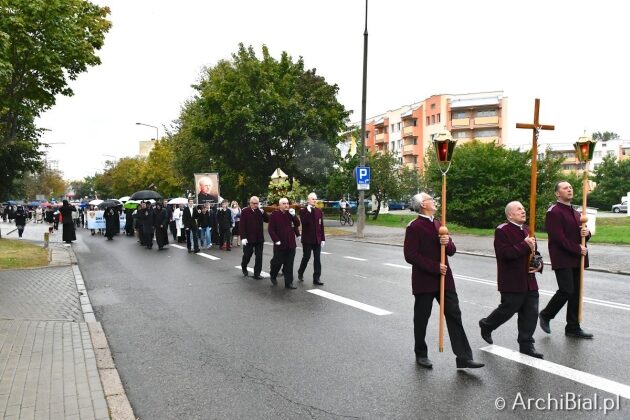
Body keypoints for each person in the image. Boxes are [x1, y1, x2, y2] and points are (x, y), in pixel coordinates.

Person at [403, 192, 484, 370]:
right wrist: (434, 267)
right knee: (422, 318)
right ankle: (421, 354)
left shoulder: (440, 224)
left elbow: (452, 250)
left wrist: (447, 242)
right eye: (430, 199)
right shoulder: (414, 227)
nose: (434, 201)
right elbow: (410, 255)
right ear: (423, 204)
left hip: (445, 280)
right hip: (424, 281)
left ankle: (464, 357)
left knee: (454, 314)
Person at [479, 201, 544, 359]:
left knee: (531, 313)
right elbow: (504, 254)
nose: (523, 211)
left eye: (523, 208)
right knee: (508, 309)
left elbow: (535, 252)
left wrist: (539, 264)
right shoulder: (502, 230)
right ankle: (487, 325)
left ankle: (526, 344)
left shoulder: (529, 229)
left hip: (529, 279)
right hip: (512, 280)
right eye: (519, 209)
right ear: (510, 214)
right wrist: (524, 245)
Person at [539, 181, 593, 339]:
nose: (569, 189)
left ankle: (573, 327)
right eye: (565, 188)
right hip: (563, 258)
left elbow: (580, 236)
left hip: (577, 258)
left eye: (570, 187)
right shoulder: (554, 212)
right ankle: (546, 315)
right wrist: (578, 248)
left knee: (576, 293)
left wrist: (587, 233)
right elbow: (558, 238)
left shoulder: (576, 213)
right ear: (557, 193)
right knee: (566, 290)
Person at [268, 198, 301, 289]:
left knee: (289, 264)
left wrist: (294, 215)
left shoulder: (290, 214)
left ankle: (289, 283)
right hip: (280, 243)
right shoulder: (274, 215)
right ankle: (273, 274)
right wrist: (276, 240)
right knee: (277, 262)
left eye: (287, 203)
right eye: (284, 203)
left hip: (290, 243)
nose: (286, 205)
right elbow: (271, 229)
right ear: (279, 205)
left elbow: (297, 224)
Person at [297, 192, 325, 286]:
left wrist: (323, 239)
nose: (315, 200)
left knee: (317, 259)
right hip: (307, 239)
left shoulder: (319, 211)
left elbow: (321, 226)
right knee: (306, 257)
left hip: (317, 239)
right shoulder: (303, 211)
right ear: (308, 200)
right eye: (313, 199)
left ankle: (316, 278)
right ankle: (300, 272)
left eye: (315, 199)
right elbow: (304, 223)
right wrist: (308, 212)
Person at [240, 196, 269, 279]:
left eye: (257, 203)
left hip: (259, 238)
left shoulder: (260, 211)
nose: (256, 205)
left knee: (259, 256)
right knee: (247, 255)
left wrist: (264, 212)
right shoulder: (245, 211)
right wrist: (243, 237)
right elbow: (242, 225)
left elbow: (267, 220)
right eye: (254, 203)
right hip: (248, 238)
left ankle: (257, 274)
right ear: (250, 203)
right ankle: (244, 265)